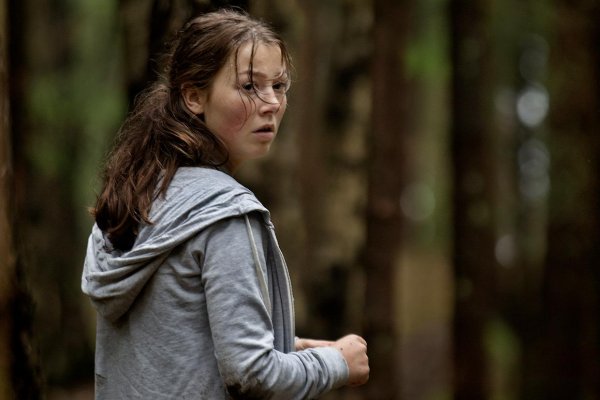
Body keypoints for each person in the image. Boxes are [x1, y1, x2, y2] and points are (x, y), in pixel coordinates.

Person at [81, 9, 369, 400]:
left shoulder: (138, 196)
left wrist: (287, 345)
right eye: (250, 87)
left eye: (279, 85)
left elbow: (169, 340)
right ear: (194, 97)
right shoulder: (224, 215)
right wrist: (337, 364)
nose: (272, 103)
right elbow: (252, 375)